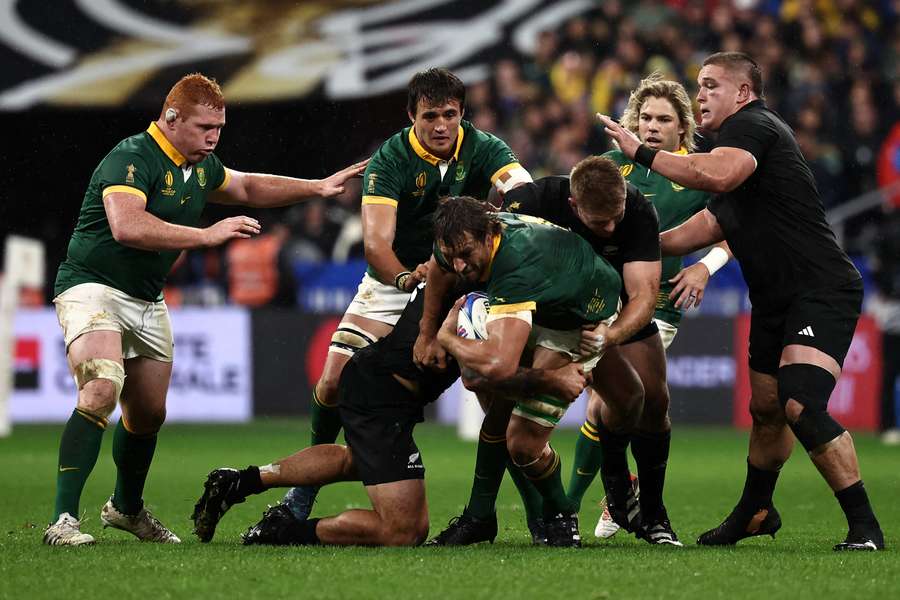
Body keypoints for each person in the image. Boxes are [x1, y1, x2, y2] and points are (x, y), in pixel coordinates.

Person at [43, 73, 368, 546]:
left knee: (149, 414)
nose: (213, 137)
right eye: (203, 127)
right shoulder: (133, 156)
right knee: (101, 387)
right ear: (171, 118)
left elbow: (250, 187)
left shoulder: (200, 165)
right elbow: (127, 226)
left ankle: (125, 509)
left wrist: (316, 188)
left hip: (146, 298)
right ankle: (63, 520)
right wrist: (205, 236)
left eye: (219, 127)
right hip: (93, 288)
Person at [599, 51, 884, 551]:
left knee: (799, 401)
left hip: (820, 289)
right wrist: (642, 245)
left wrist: (640, 153)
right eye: (699, 84)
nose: (701, 93)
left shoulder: (755, 126)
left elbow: (718, 176)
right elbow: (710, 223)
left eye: (711, 85)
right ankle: (756, 509)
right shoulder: (737, 146)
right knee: (768, 407)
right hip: (773, 297)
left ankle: (865, 527)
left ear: (743, 94)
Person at [282, 67, 531, 520]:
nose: (440, 126)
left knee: (494, 395)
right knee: (332, 383)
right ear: (411, 115)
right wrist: (404, 278)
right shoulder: (390, 159)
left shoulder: (485, 147)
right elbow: (377, 245)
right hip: (395, 282)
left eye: (450, 115)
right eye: (430, 116)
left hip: (463, 281)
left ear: (462, 114)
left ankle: (525, 511)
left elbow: (524, 192)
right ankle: (304, 488)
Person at [191, 284, 588, 547]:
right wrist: (550, 379)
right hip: (381, 398)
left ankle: (239, 482)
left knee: (354, 460)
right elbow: (476, 380)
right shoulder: (474, 304)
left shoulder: (457, 278)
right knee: (405, 530)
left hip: (380, 388)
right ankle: (287, 531)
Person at [424, 156, 661, 546]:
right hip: (547, 300)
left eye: (466, 253)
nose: (460, 264)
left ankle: (562, 512)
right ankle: (484, 516)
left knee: (522, 441)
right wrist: (426, 333)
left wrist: (448, 339)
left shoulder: (516, 263)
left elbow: (498, 366)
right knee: (489, 389)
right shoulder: (463, 233)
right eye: (454, 255)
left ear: (489, 235)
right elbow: (439, 267)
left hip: (580, 318)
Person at [575, 74, 733, 542]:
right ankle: (615, 493)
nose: (652, 127)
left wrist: (707, 267)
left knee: (609, 398)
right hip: (605, 299)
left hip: (660, 302)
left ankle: (589, 501)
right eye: (645, 118)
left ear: (683, 128)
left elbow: (732, 227)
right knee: (610, 403)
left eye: (664, 119)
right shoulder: (607, 165)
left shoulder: (697, 172)